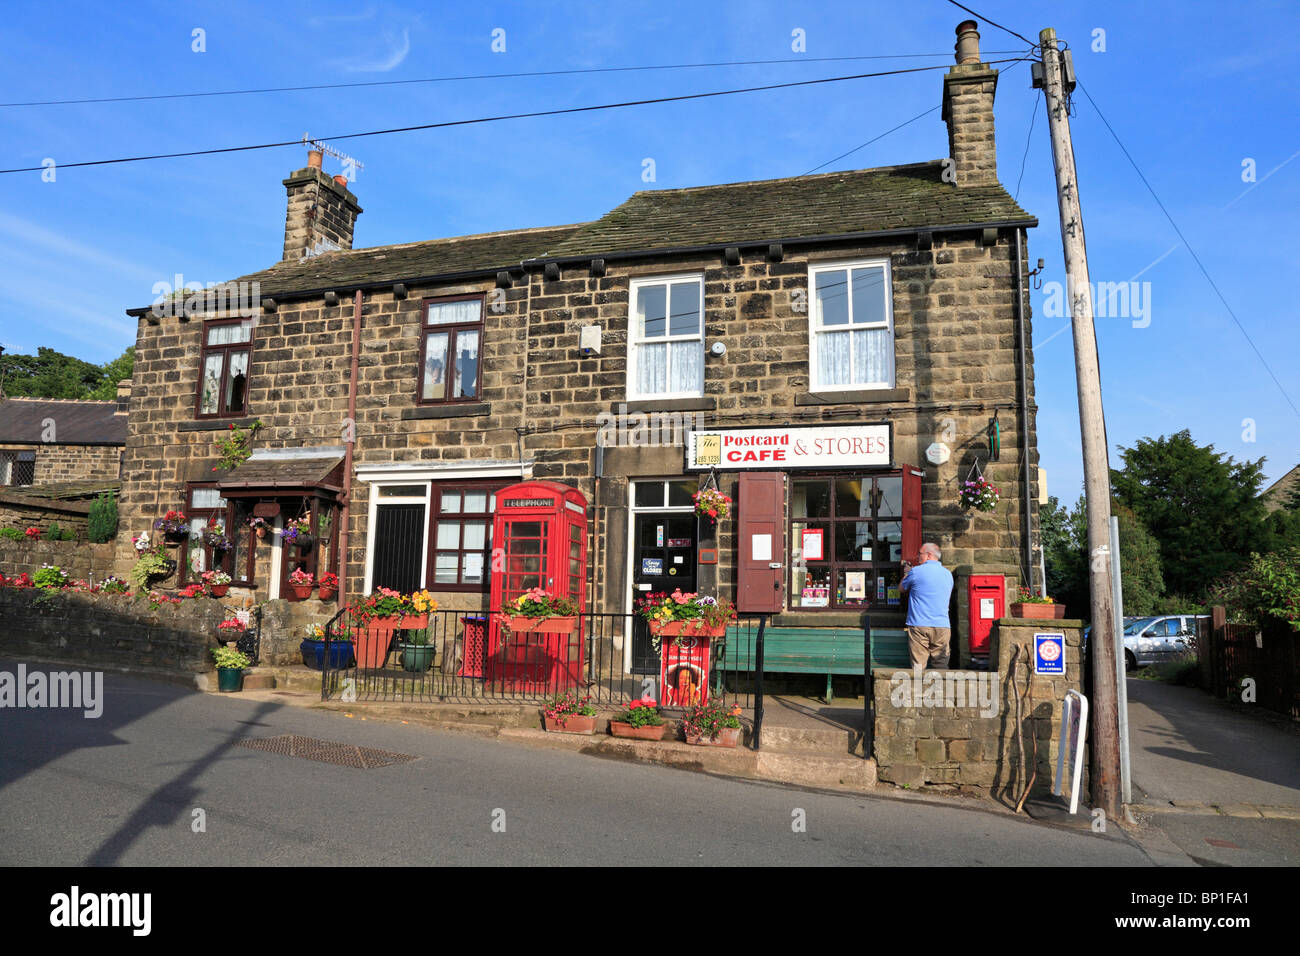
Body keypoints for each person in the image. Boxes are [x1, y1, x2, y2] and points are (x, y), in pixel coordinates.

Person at [899, 542, 953, 670]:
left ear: (929, 555)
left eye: (919, 554)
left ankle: (919, 690)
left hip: (919, 624)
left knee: (918, 666)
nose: (917, 557)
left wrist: (907, 573)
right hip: (942, 625)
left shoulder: (916, 571)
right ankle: (940, 689)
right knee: (941, 665)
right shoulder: (948, 574)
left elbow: (901, 588)